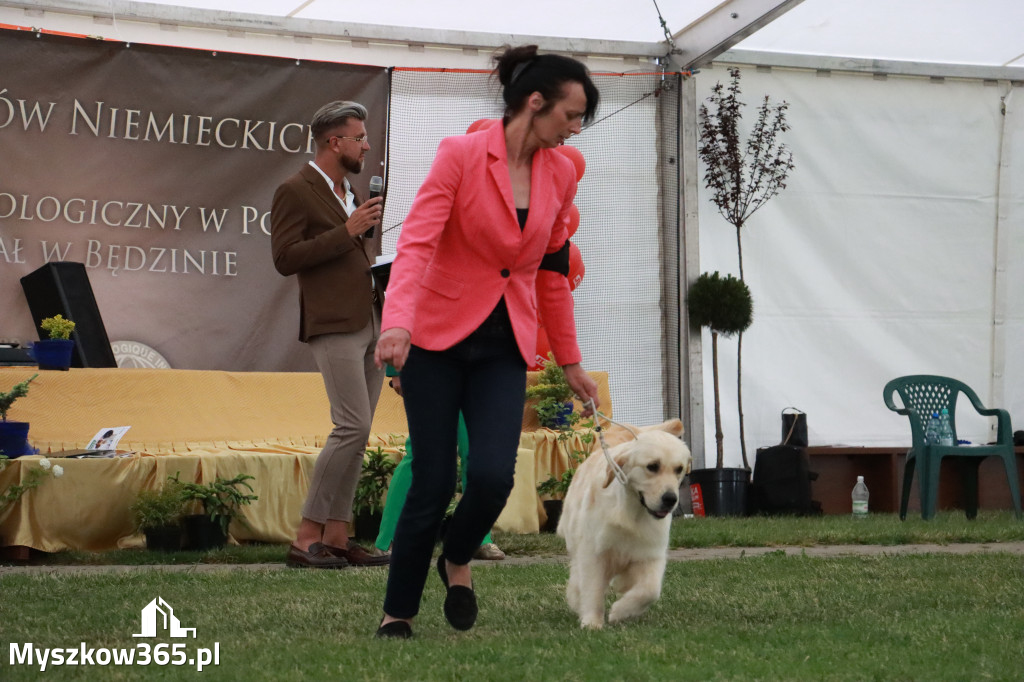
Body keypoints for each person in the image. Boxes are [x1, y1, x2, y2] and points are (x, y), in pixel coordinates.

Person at [374, 45, 601, 638]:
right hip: (436, 339)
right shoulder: (461, 155)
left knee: (496, 476)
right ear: (535, 102)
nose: (576, 128)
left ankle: (456, 556)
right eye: (570, 115)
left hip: (504, 344)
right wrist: (397, 321)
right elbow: (418, 242)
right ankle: (397, 611)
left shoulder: (561, 174)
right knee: (431, 479)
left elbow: (552, 273)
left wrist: (570, 360)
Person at [271, 100, 389, 569]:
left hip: (368, 319)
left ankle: (338, 537)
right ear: (332, 142)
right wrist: (346, 231)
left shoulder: (350, 191)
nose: (366, 146)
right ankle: (305, 537)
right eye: (359, 138)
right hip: (332, 323)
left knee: (359, 434)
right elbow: (284, 258)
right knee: (351, 426)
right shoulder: (294, 190)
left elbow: (351, 252)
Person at [374, 374, 505, 561]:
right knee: (421, 453)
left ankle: (478, 538)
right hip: (431, 366)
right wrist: (396, 369)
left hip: (477, 370)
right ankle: (388, 540)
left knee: (477, 455)